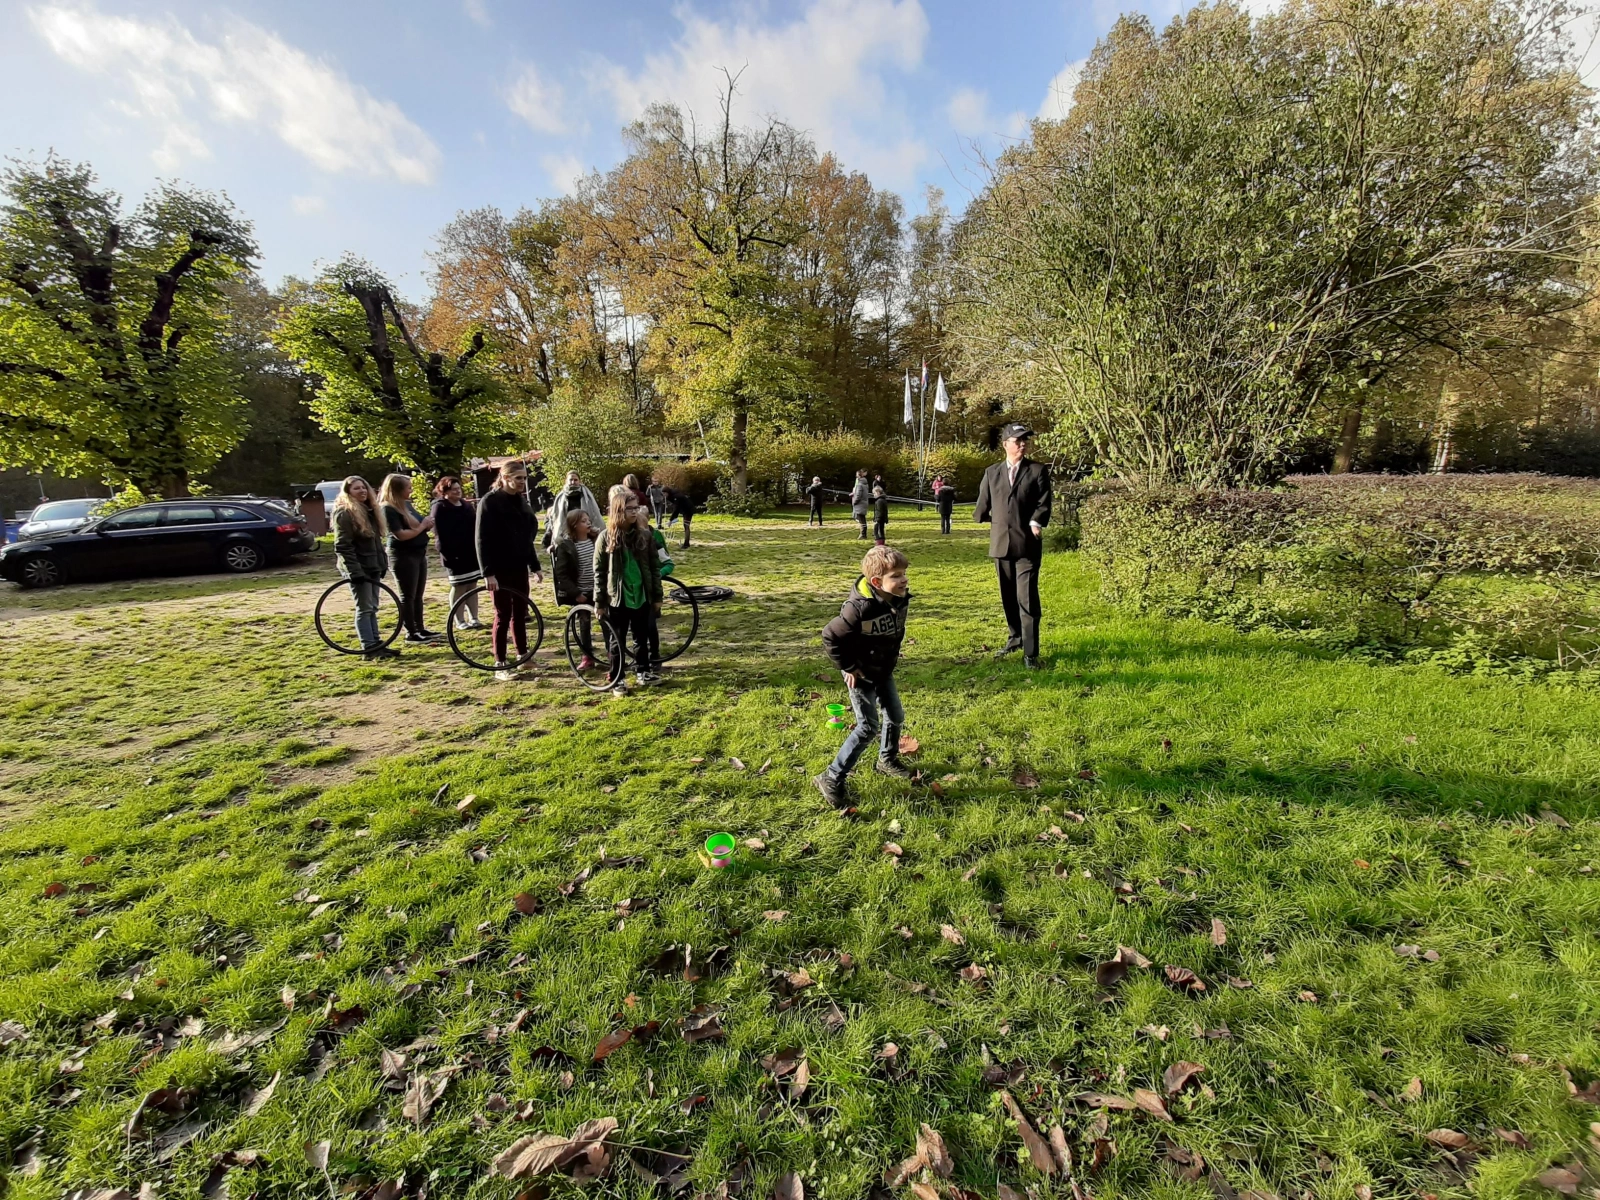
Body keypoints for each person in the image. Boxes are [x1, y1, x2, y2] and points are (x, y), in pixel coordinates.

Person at [813, 544, 915, 807]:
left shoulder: (899, 598)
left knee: (895, 716)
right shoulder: (857, 609)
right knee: (868, 727)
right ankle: (831, 776)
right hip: (861, 674)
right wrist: (847, 666)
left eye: (904, 573)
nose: (904, 579)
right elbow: (830, 635)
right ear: (876, 581)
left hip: (884, 669)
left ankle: (887, 759)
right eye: (896, 575)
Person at [974, 422, 1052, 669]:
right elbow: (982, 508)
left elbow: (1044, 502)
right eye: (1017, 440)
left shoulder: (1037, 471)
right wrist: (992, 520)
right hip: (1000, 546)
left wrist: (1035, 521)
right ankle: (1015, 638)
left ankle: (1030, 652)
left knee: (1026, 599)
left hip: (1027, 545)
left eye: (1024, 441)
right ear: (1005, 444)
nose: (1022, 444)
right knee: (1008, 597)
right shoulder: (991, 472)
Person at [475, 459, 545, 682]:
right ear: (504, 478)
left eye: (524, 478)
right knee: (502, 614)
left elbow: (526, 537)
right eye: (518, 478)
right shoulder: (490, 502)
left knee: (520, 613)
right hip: (499, 567)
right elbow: (481, 540)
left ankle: (522, 656)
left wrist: (534, 566)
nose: (522, 482)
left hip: (518, 565)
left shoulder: (520, 501)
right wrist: (488, 573)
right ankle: (500, 663)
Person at [597, 484, 662, 693]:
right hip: (618, 599)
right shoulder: (605, 538)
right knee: (617, 641)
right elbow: (599, 573)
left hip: (641, 596)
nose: (635, 512)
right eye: (630, 508)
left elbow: (654, 567)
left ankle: (643, 671)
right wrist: (599, 602)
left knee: (641, 637)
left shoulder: (645, 536)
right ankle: (618, 678)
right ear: (618, 511)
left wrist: (657, 596)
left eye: (636, 508)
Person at [332, 477, 397, 660]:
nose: (361, 491)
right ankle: (368, 648)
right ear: (348, 492)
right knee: (364, 608)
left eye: (364, 488)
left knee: (373, 607)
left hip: (372, 566)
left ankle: (377, 644)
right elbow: (343, 546)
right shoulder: (344, 513)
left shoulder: (369, 512)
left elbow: (376, 543)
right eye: (356, 489)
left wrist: (382, 564)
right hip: (359, 569)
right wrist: (355, 572)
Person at [379, 473, 438, 643]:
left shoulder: (406, 505)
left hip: (418, 552)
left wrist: (426, 524)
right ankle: (410, 632)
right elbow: (401, 535)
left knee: (418, 594)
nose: (411, 490)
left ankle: (420, 628)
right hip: (403, 555)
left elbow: (419, 524)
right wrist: (422, 526)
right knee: (407, 595)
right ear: (397, 490)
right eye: (408, 487)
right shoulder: (388, 508)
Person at [430, 475, 482, 630]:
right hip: (453, 554)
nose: (457, 492)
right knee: (459, 586)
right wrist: (448, 552)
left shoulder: (466, 505)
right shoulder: (440, 506)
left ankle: (474, 617)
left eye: (459, 489)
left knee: (472, 585)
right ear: (444, 491)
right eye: (453, 490)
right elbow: (439, 532)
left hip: (470, 552)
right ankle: (459, 620)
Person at [552, 508, 600, 669]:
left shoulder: (597, 541)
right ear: (573, 525)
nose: (588, 523)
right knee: (584, 624)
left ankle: (612, 653)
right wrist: (576, 593)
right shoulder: (566, 547)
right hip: (581, 593)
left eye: (588, 520)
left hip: (598, 590)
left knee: (608, 622)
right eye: (583, 521)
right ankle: (587, 656)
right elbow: (562, 574)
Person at [548, 471, 604, 549]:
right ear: (566, 481)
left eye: (575, 480)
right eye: (570, 480)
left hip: (586, 532)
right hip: (568, 532)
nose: (573, 482)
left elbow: (594, 513)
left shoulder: (587, 496)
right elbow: (556, 517)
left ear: (579, 481)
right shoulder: (561, 497)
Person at [850, 470, 870, 539]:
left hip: (860, 504)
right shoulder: (865, 484)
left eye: (857, 475)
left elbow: (858, 495)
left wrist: (854, 502)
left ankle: (863, 535)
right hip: (864, 503)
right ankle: (863, 534)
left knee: (861, 520)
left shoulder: (859, 485)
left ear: (859, 476)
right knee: (862, 519)